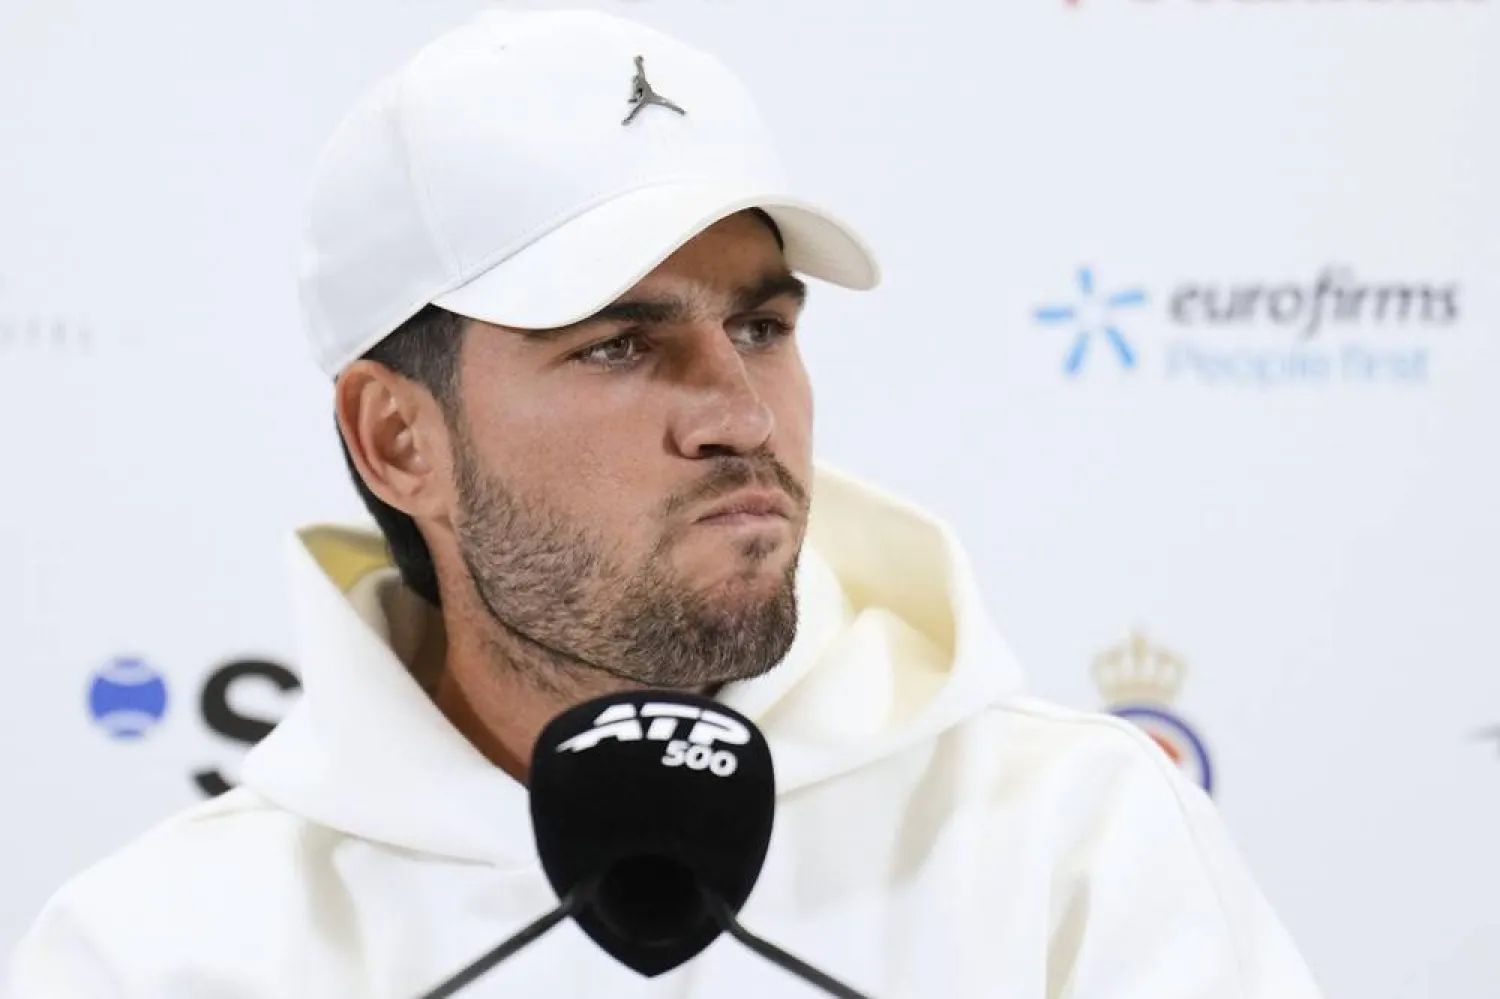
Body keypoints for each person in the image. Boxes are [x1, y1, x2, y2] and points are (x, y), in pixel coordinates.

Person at [8, 8, 1326, 998]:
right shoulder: (159, 948)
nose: (743, 417)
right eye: (618, 346)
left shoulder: (1072, 845)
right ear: (397, 437)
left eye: (761, 325)